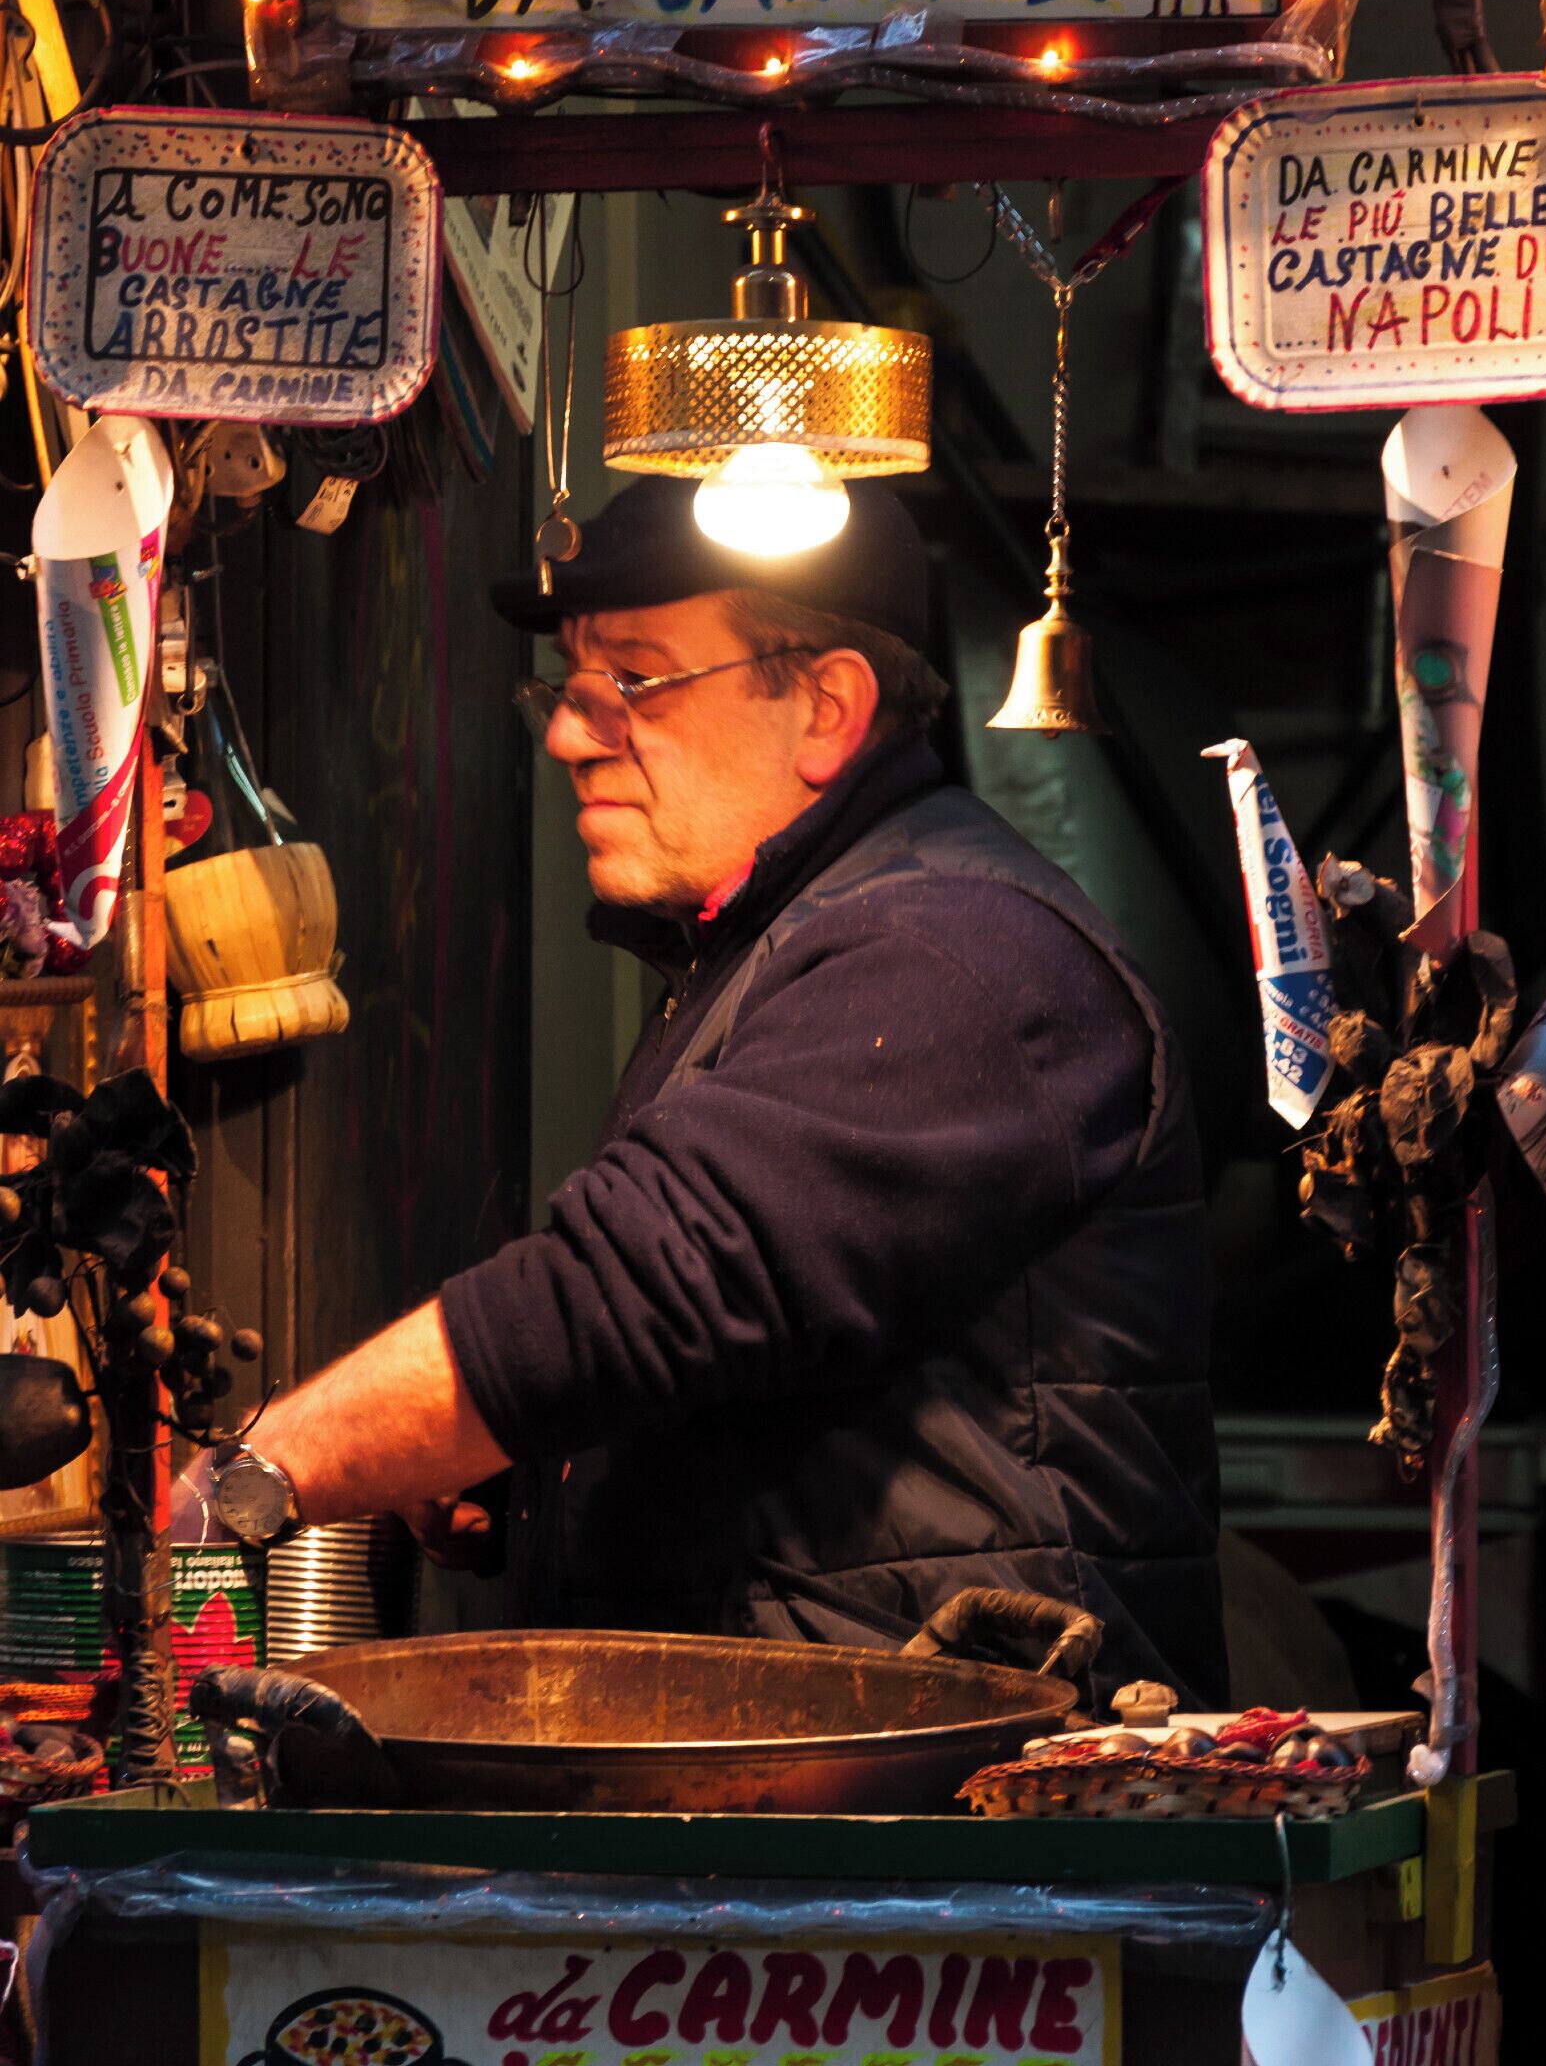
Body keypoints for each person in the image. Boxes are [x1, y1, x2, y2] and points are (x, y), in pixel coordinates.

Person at [192, 476, 1228, 1711]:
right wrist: (545, 1477)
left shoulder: (955, 951)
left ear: (826, 710)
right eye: (567, 691)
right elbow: (734, 1361)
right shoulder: (775, 950)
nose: (571, 735)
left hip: (960, 1842)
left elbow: (634, 1288)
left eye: (633, 681)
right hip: (834, 1794)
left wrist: (253, 1479)